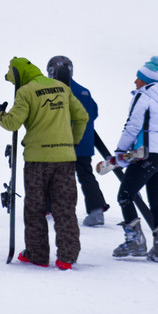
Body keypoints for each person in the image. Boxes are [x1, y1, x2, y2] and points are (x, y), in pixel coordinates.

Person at [0, 57, 89, 270]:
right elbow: (82, 116)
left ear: (19, 76)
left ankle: (37, 255)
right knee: (65, 208)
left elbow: (12, 123)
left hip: (37, 161)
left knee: (35, 208)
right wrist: (71, 142)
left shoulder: (26, 92)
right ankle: (67, 258)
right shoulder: (62, 88)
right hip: (65, 160)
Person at [111, 56, 158, 264]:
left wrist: (120, 150)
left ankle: (135, 241)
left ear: (145, 80)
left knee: (125, 195)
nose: (135, 82)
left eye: (138, 78)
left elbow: (133, 124)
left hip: (145, 153)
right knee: (157, 201)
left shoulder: (143, 95)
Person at [46, 56, 109, 227]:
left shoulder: (53, 90)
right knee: (85, 175)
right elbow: (93, 113)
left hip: (62, 143)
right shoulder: (84, 91)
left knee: (51, 174)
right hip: (84, 143)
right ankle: (96, 210)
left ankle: (47, 207)